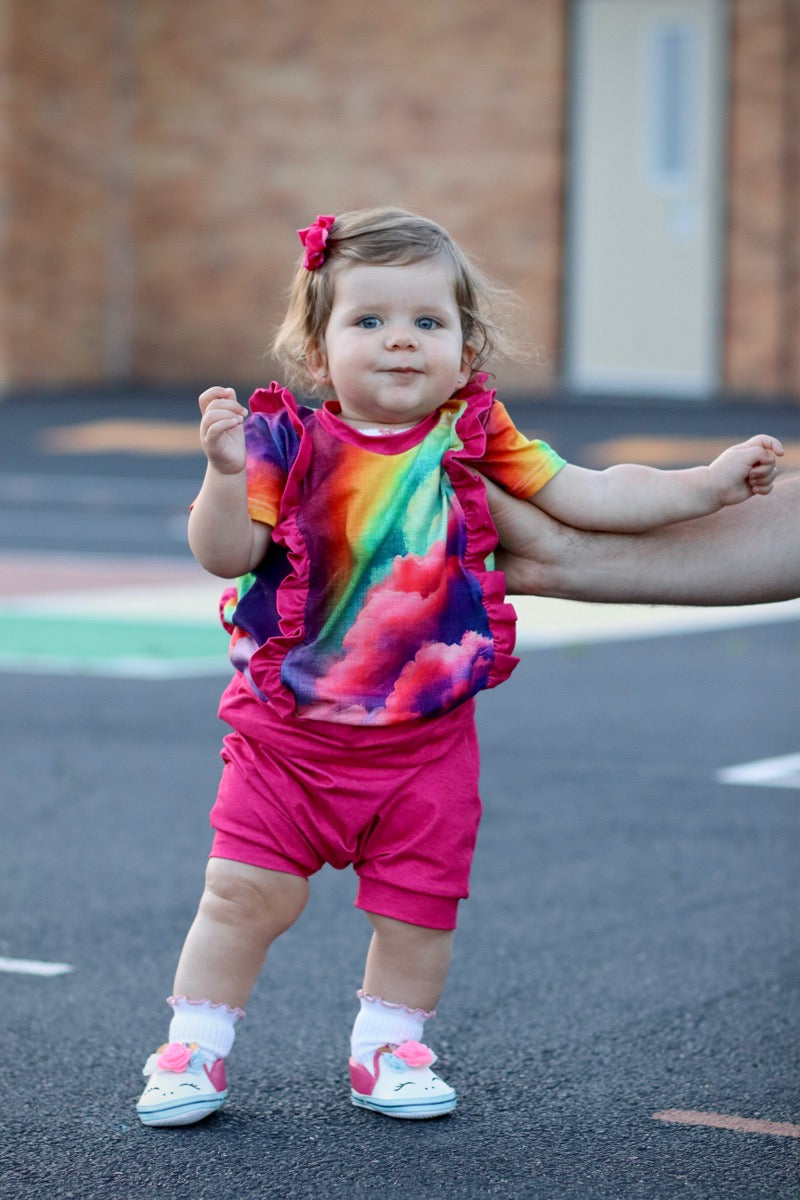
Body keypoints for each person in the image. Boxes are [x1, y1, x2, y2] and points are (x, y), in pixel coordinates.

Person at [136, 207, 783, 1128]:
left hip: (426, 741)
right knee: (243, 893)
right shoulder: (290, 444)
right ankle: (192, 1049)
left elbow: (591, 493)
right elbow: (227, 553)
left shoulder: (472, 434)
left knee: (418, 911)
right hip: (288, 738)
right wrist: (222, 473)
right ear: (317, 353)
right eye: (369, 321)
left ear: (465, 345)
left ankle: (389, 1051)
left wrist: (706, 484)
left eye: (427, 323)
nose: (401, 340)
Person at [481, 471, 799, 604]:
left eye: (432, 324)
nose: (426, 341)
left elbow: (598, 491)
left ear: (467, 358)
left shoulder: (480, 428)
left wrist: (707, 482)